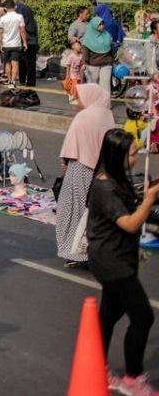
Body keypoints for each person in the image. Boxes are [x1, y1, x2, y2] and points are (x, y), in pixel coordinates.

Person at [87, 129, 159, 396]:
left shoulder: (117, 178)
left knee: (109, 315)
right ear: (117, 156)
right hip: (111, 261)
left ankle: (99, 367)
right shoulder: (104, 185)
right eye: (132, 153)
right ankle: (133, 378)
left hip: (118, 256)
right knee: (143, 316)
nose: (137, 157)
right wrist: (149, 201)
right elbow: (129, 224)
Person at [55, 83, 117, 267]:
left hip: (80, 167)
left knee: (72, 210)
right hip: (100, 170)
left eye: (81, 96)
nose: (79, 100)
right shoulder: (107, 115)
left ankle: (75, 253)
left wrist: (64, 162)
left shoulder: (85, 116)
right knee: (92, 212)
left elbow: (71, 144)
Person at [83, 16, 116, 95]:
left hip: (106, 63)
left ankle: (105, 103)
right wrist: (84, 63)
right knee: (93, 84)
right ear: (94, 25)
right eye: (99, 24)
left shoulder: (107, 35)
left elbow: (111, 49)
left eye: (103, 24)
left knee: (106, 84)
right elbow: (85, 51)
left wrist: (112, 60)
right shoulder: (88, 37)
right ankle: (93, 102)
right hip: (93, 64)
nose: (102, 26)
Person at [0, 2, 26, 87]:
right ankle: (13, 81)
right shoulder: (19, 17)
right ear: (15, 7)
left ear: (5, 8)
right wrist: (24, 42)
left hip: (6, 44)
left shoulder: (3, 18)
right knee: (15, 63)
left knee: (7, 63)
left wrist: (0, 42)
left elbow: (1, 31)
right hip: (16, 44)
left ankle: (9, 80)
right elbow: (22, 30)